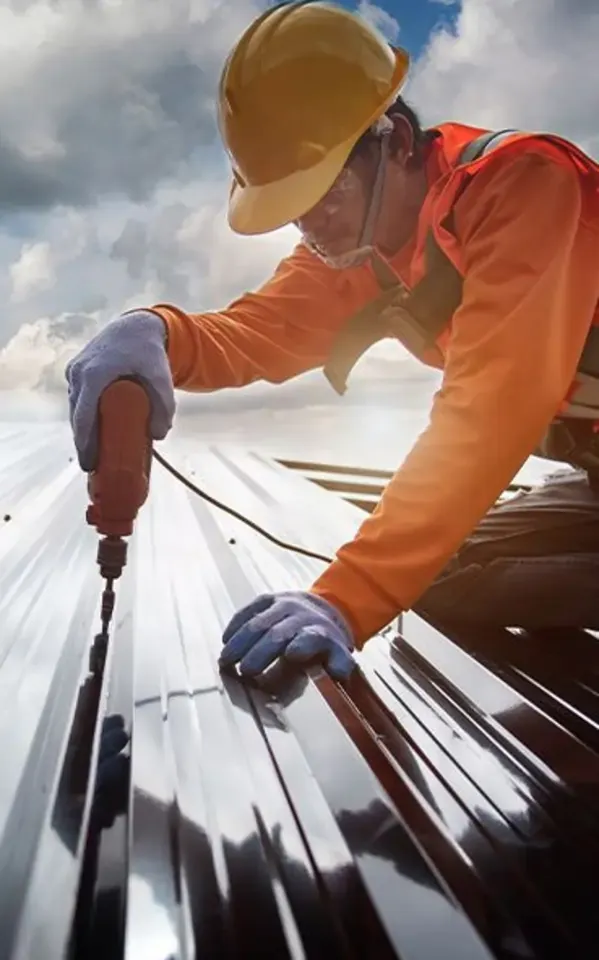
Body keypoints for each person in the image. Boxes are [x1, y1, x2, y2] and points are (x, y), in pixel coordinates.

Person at [66, 1, 599, 681]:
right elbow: (261, 329)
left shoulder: (524, 188)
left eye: (324, 195)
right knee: (439, 574)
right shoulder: (364, 246)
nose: (310, 228)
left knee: (389, 576)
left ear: (395, 143)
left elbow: (490, 410)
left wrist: (346, 601)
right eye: (294, 211)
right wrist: (157, 335)